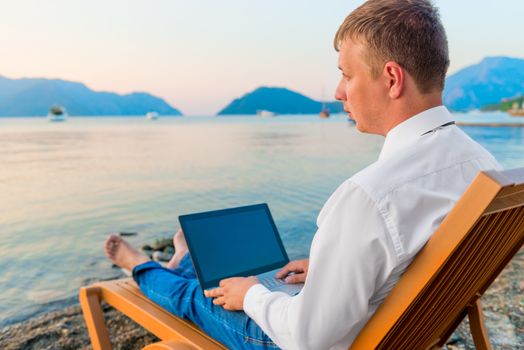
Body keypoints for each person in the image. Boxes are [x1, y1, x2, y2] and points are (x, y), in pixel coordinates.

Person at [105, 0, 502, 349]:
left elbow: (308, 339)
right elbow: (421, 257)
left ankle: (141, 264)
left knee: (198, 296)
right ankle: (183, 257)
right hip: (399, 326)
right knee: (228, 275)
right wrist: (336, 270)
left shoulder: (370, 197)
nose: (338, 92)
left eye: (347, 74)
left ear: (392, 79)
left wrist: (254, 296)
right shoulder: (485, 167)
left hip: (313, 339)